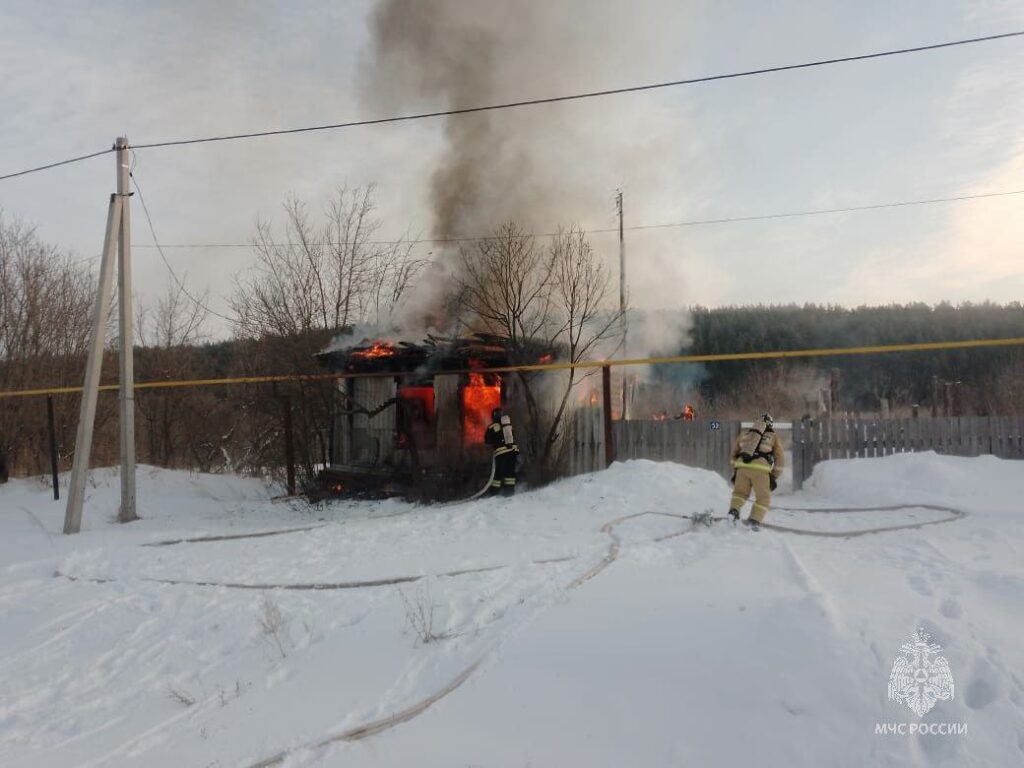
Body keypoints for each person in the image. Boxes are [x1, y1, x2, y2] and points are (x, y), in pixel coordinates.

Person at [727, 413, 784, 530]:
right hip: (761, 469)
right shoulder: (773, 436)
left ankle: (733, 511)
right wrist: (774, 477)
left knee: (739, 494)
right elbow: (780, 460)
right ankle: (754, 520)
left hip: (742, 467)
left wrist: (735, 472)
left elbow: (733, 455)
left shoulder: (744, 434)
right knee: (763, 498)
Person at [484, 408, 519, 496]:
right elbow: (514, 436)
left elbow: (487, 440)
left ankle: (494, 493)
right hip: (513, 451)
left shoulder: (492, 427)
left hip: (501, 453)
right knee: (510, 472)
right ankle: (509, 492)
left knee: (498, 474)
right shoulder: (508, 426)